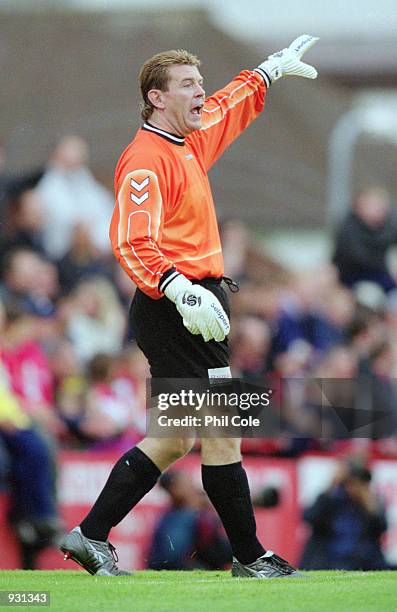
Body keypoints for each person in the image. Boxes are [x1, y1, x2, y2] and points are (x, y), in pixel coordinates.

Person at [60, 35, 319, 578]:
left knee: (176, 438)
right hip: (176, 307)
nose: (201, 92)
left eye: (200, 82)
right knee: (223, 429)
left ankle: (89, 536)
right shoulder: (145, 159)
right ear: (157, 98)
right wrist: (180, 288)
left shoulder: (187, 140)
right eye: (188, 85)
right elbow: (131, 241)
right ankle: (250, 558)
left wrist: (267, 72)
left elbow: (225, 107)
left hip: (195, 302)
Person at [300, 462, 388, 570]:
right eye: (350, 483)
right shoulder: (331, 500)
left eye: (359, 484)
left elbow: (382, 528)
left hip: (362, 561)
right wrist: (330, 487)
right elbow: (309, 517)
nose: (355, 488)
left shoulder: (371, 503)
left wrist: (370, 505)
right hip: (328, 560)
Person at [333, 187, 397, 293]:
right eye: (374, 206)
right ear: (359, 207)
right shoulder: (348, 226)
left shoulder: (390, 224)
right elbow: (358, 257)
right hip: (350, 276)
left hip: (379, 273)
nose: (379, 210)